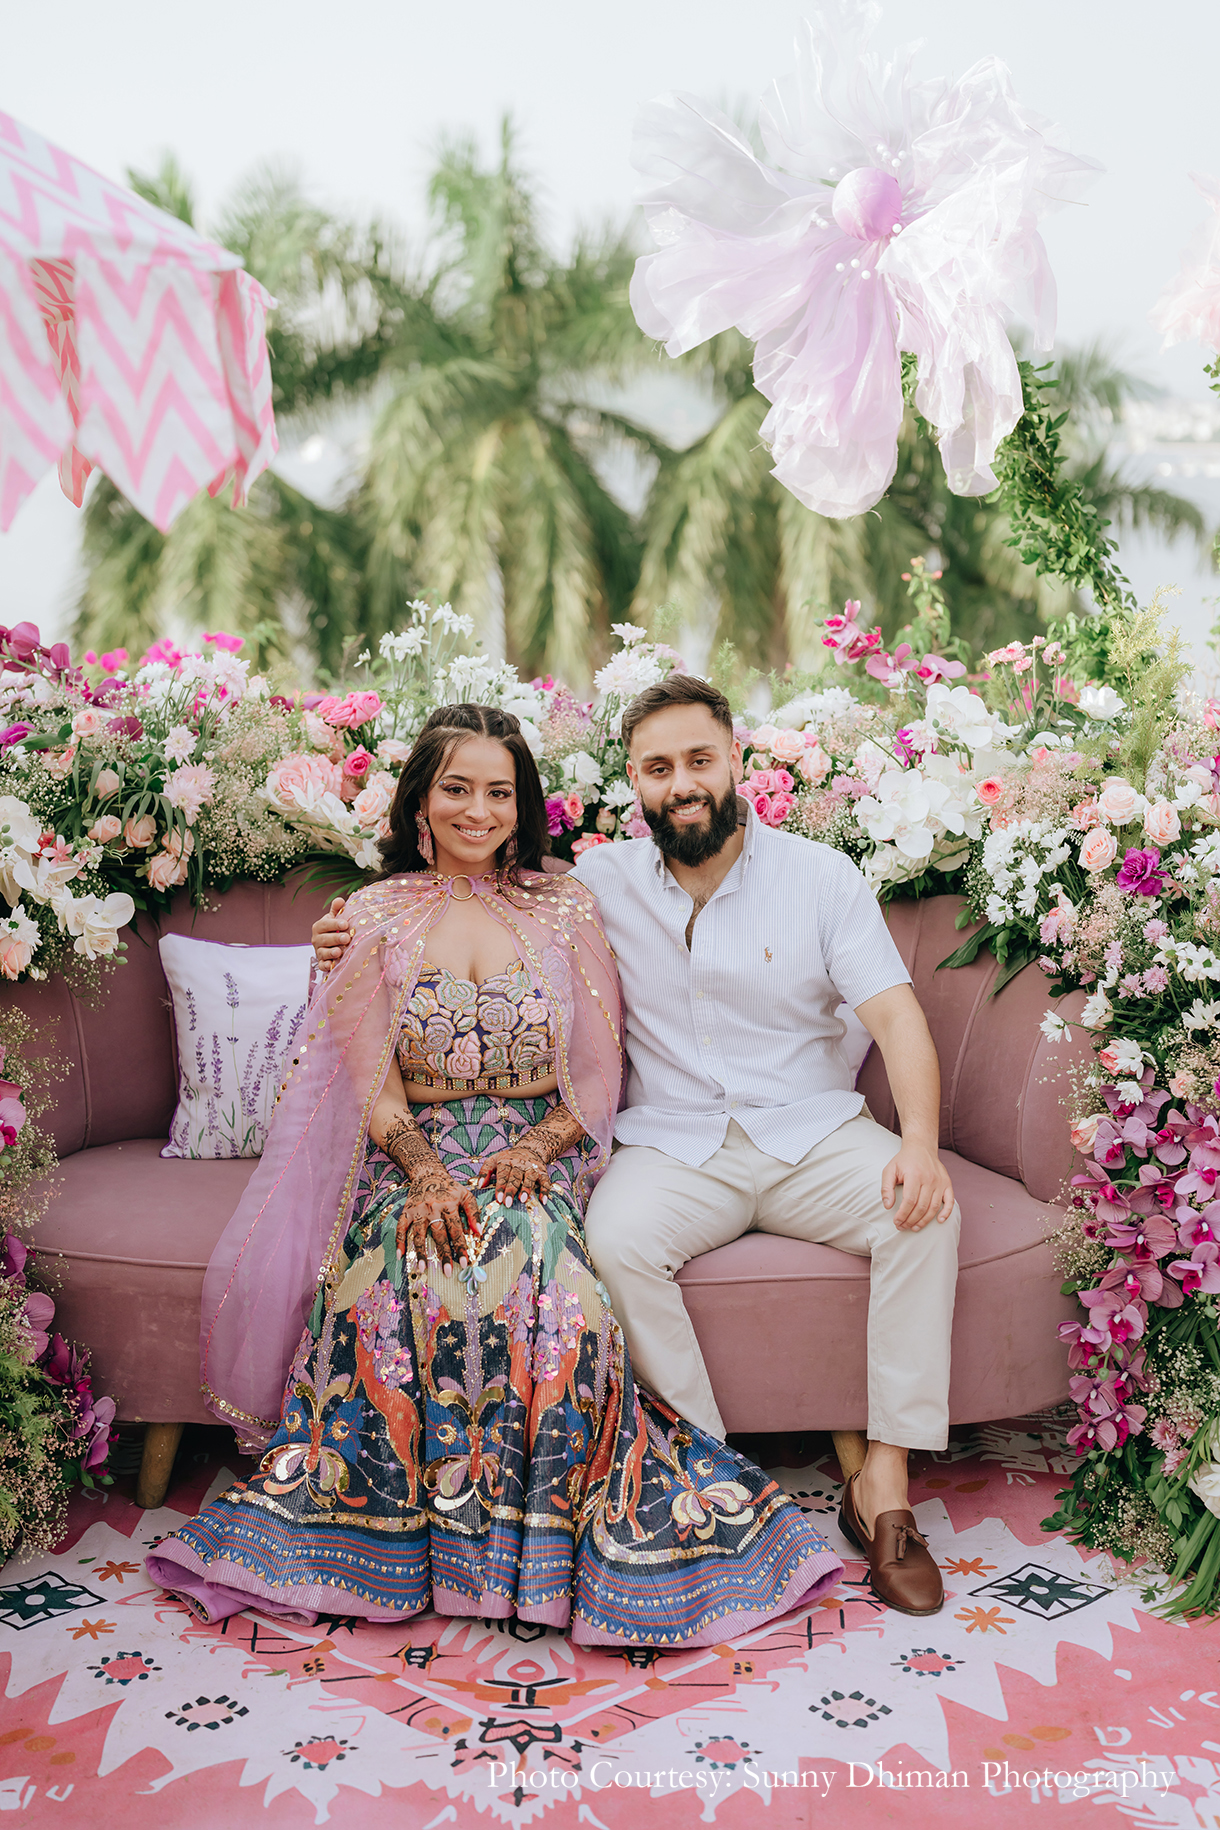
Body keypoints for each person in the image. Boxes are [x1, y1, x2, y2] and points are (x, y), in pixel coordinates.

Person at [147, 703, 842, 1645]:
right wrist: (427, 1176)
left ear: (523, 806)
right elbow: (373, 1085)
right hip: (412, 1155)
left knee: (559, 1300)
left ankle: (549, 1555)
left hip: (537, 1150)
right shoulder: (369, 916)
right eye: (458, 790)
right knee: (390, 1288)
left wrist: (536, 1150)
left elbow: (598, 1077)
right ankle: (388, 1550)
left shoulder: (565, 905)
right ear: (421, 804)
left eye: (499, 792)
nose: (479, 811)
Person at [313, 677, 961, 1617]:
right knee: (612, 1245)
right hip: (675, 1145)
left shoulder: (821, 877)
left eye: (700, 760)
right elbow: (476, 898)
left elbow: (897, 1020)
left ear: (738, 760)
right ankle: (718, 1478)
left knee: (924, 1217)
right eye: (660, 768)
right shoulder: (596, 887)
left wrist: (923, 1147)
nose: (683, 783)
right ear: (634, 782)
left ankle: (886, 1493)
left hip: (812, 1133)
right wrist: (342, 939)